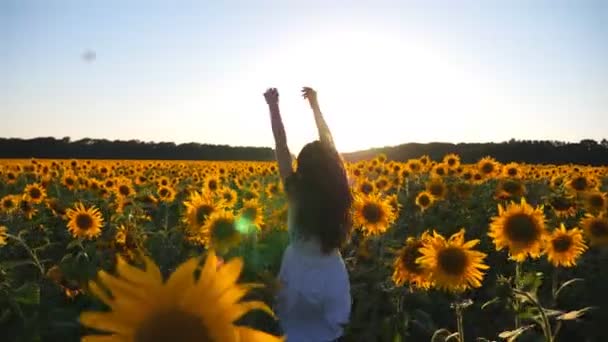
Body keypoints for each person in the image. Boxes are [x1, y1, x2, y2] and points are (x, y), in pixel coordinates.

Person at [263, 87, 353, 342]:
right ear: (333, 166)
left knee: (294, 332)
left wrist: (273, 106)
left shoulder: (295, 190)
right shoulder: (338, 191)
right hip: (330, 271)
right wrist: (315, 105)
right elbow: (329, 142)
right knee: (329, 332)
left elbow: (281, 143)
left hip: (296, 269)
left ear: (300, 166)